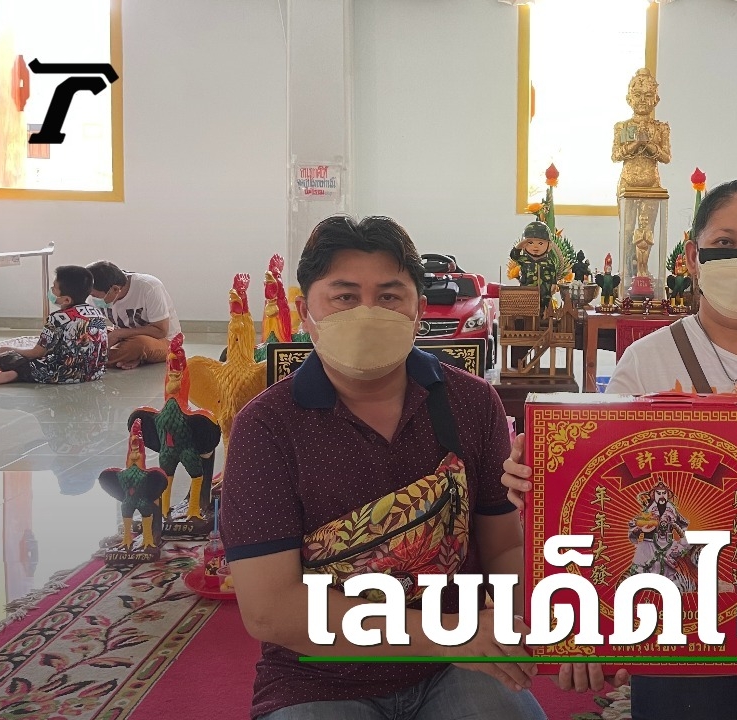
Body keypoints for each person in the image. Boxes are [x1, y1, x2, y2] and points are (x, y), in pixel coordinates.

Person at [501, 180, 737, 719]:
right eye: (724, 243)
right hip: (680, 613)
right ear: (692, 256)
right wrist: (539, 482)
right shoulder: (647, 360)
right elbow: (598, 493)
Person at [218, 215, 544, 720]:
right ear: (306, 312)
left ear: (419, 312)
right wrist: (445, 634)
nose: (367, 313)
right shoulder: (266, 426)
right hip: (320, 673)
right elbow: (271, 608)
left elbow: (504, 545)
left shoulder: (471, 403)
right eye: (345, 297)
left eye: (389, 296)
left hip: (455, 665)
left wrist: (534, 628)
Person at [0, 266, 108, 387]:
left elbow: (37, 353)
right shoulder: (97, 313)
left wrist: (10, 349)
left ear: (66, 299)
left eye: (54, 288)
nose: (51, 290)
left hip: (66, 374)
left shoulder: (57, 318)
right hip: (95, 372)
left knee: (5, 359)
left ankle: (13, 374)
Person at [86, 260, 181, 370]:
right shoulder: (97, 292)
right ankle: (131, 357)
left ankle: (89, 361)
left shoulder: (149, 287)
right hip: (126, 337)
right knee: (91, 336)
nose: (92, 299)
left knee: (138, 345)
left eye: (95, 296)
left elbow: (161, 331)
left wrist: (119, 334)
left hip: (164, 340)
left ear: (115, 289)